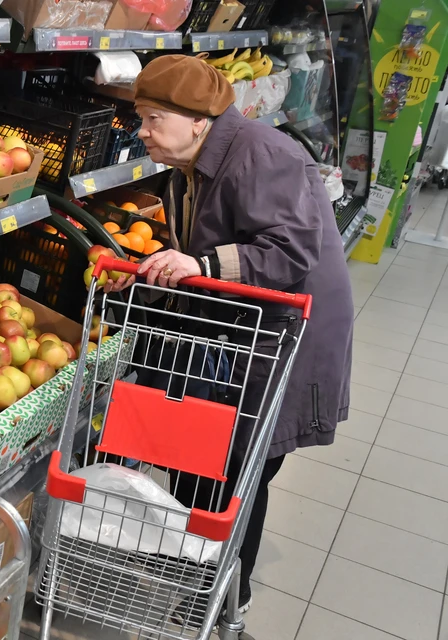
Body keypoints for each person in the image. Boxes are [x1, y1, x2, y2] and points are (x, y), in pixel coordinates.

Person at [106, 55, 353, 615]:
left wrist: (204, 267)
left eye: (150, 119)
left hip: (286, 339)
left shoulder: (264, 156)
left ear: (197, 120)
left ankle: (221, 598)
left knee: (241, 471)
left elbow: (289, 251)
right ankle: (205, 575)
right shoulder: (191, 163)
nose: (140, 132)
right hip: (242, 334)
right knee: (211, 463)